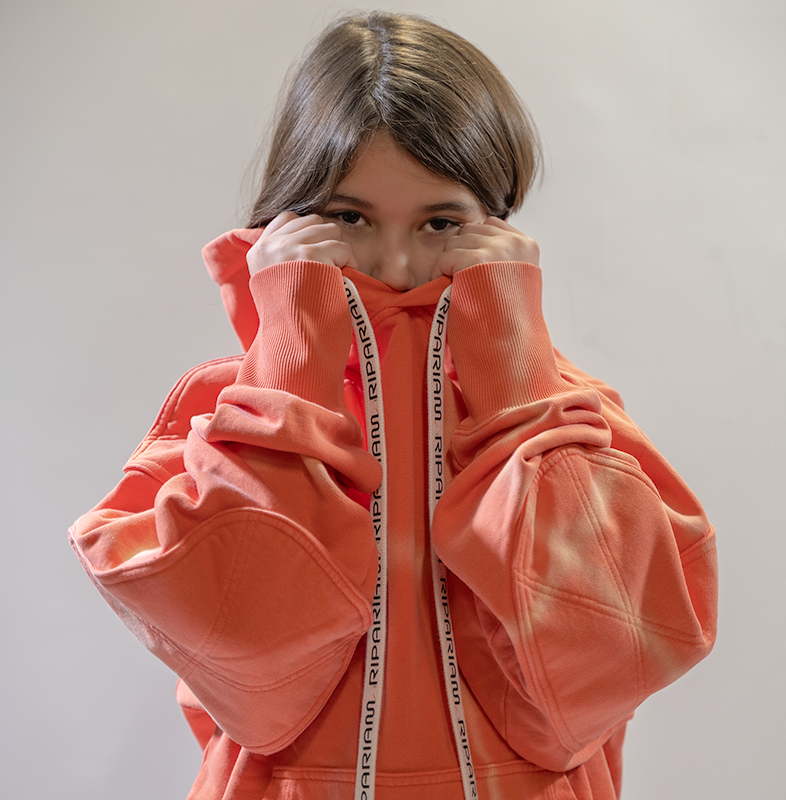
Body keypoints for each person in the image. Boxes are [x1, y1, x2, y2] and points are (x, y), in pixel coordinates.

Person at [69, 11, 717, 800]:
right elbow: (252, 681)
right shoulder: (229, 408)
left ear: (496, 228)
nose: (396, 263)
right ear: (289, 221)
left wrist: (513, 383)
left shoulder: (561, 413)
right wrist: (291, 367)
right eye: (349, 218)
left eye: (441, 222)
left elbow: (595, 675)